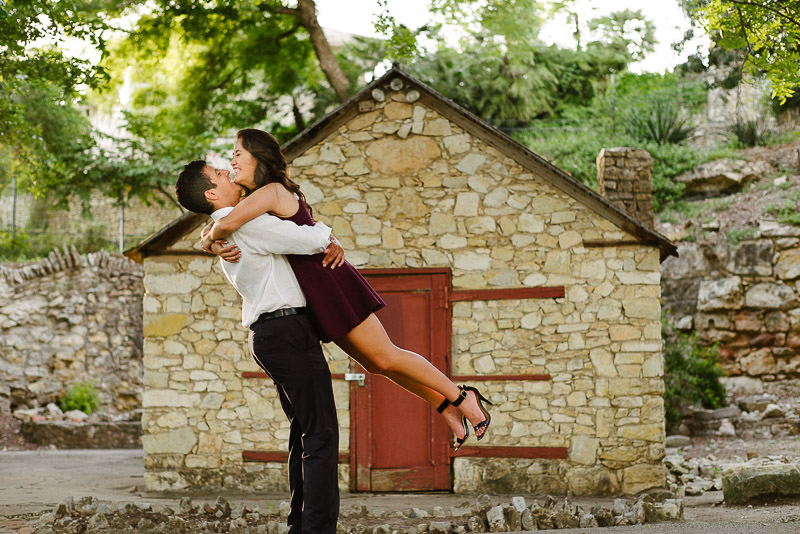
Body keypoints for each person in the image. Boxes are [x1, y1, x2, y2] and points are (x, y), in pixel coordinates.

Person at [201, 128, 493, 450]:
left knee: (387, 354)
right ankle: (444, 404)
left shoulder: (269, 191)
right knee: (377, 364)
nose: (232, 161)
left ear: (259, 156)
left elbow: (225, 224)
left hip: (329, 280)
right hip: (316, 292)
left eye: (237, 154)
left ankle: (463, 396)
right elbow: (230, 223)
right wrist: (211, 242)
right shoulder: (254, 200)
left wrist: (209, 240)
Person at [175, 161, 340, 534]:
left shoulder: (227, 229)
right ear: (211, 194)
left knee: (305, 433)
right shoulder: (244, 221)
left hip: (271, 335)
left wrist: (209, 238)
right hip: (287, 330)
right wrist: (324, 230)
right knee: (321, 434)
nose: (228, 172)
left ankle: (301, 525)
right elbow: (312, 239)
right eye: (219, 173)